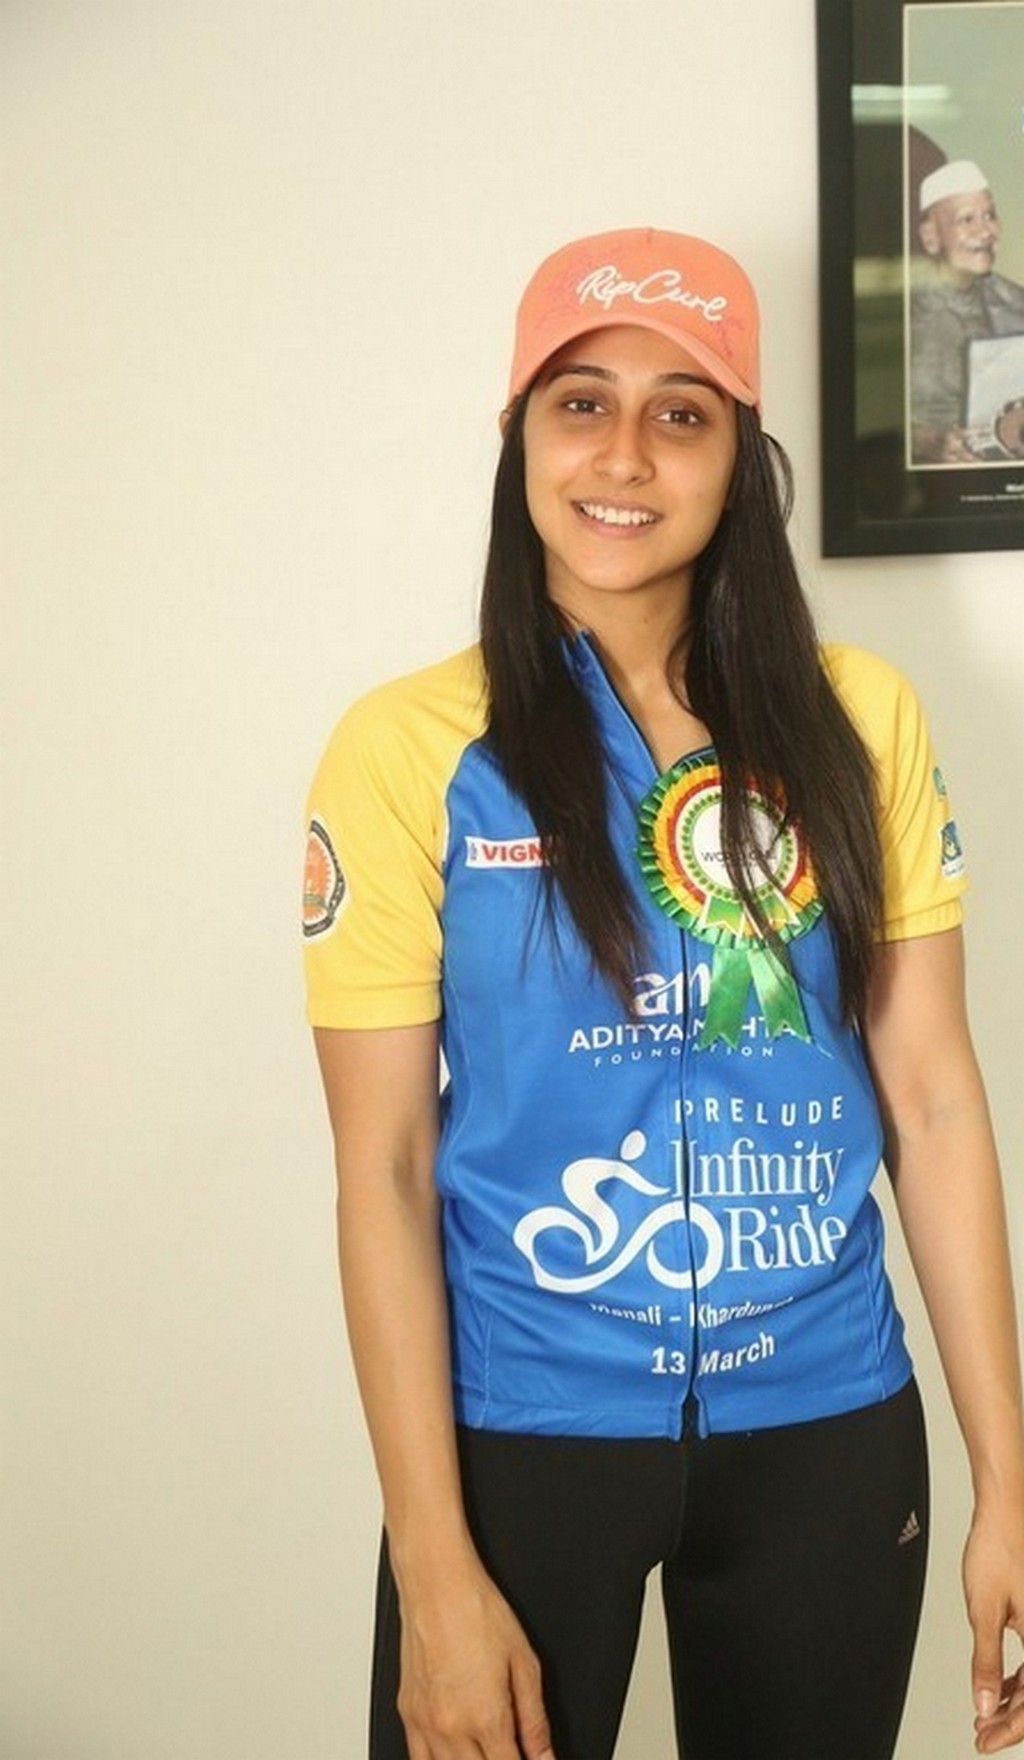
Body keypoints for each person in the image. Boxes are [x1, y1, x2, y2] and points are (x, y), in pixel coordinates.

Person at [304, 227, 1024, 1759]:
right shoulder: (407, 747)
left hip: (828, 1430)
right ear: (519, 436)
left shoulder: (859, 720)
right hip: (520, 1437)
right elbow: (385, 1168)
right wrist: (433, 1564)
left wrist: (1010, 1488)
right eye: (582, 403)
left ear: (739, 456)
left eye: (681, 412)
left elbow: (936, 1102)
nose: (625, 455)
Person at [910, 160, 1024, 464]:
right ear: (930, 236)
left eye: (990, 215)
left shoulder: (1017, 303)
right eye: (967, 219)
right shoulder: (904, 315)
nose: (985, 231)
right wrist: (926, 441)